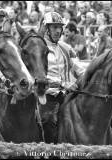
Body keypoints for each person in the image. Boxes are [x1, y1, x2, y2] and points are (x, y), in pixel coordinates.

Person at [39, 11, 85, 143]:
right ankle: (50, 152)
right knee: (48, 120)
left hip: (66, 95)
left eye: (60, 27)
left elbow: (80, 70)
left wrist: (89, 77)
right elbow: (37, 76)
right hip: (46, 97)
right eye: (54, 27)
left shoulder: (66, 48)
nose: (58, 31)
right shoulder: (37, 47)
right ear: (45, 28)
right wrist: (63, 84)